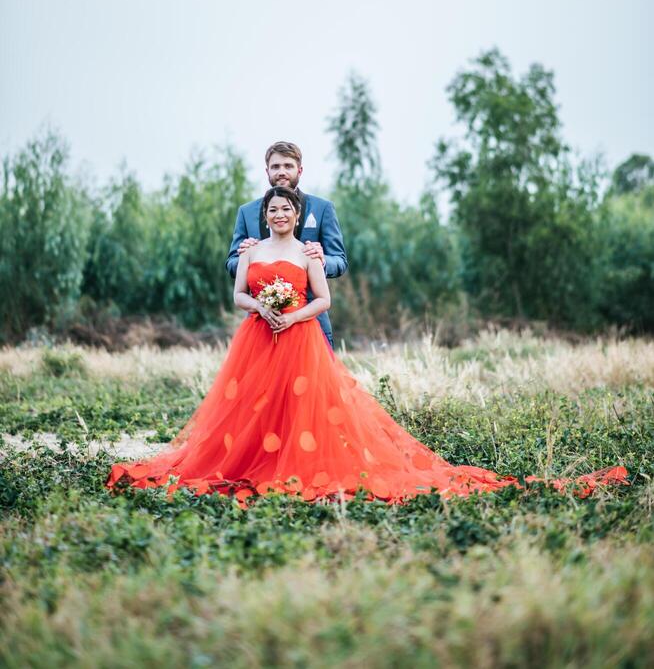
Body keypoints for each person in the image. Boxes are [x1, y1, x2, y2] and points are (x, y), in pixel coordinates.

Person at [106, 185, 628, 507]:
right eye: (274, 209)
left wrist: (291, 313)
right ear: (265, 214)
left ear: (295, 212)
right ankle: (247, 464)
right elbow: (238, 295)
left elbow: (324, 297)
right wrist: (262, 308)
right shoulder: (250, 249)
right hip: (256, 337)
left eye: (287, 208)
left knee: (304, 406)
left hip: (300, 336)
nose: (280, 214)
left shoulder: (309, 251)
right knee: (249, 408)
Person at [225, 141, 347, 348]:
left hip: (311, 322)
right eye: (275, 167)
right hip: (261, 323)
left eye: (288, 166)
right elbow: (231, 264)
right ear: (267, 171)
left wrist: (320, 259)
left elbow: (340, 261)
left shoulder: (322, 208)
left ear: (299, 170)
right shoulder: (247, 212)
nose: (282, 172)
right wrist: (247, 256)